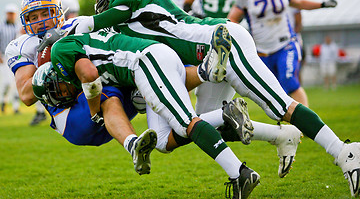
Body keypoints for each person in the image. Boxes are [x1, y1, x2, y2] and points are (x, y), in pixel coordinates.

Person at [65, 0, 360, 198]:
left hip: (221, 42)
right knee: (203, 126)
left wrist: (91, 20)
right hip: (206, 59)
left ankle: (344, 152)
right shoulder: (125, 27)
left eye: (105, 9)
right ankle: (281, 136)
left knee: (279, 105)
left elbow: (126, 0)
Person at [50, 26, 260, 199]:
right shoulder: (93, 42)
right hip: (153, 61)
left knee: (186, 123)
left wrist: (95, 111)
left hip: (146, 64)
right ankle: (219, 110)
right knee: (161, 141)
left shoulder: (61, 47)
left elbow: (89, 73)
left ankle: (239, 172)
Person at [227, 0, 338, 107]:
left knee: (289, 81)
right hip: (260, 50)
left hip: (285, 44)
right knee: (271, 88)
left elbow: (299, 3)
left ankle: (307, 121)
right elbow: (232, 19)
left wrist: (321, 4)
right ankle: (285, 120)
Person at [32, 62, 157, 175]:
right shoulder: (30, 51)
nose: (64, 93)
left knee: (134, 94)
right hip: (71, 121)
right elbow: (26, 96)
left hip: (99, 130)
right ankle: (132, 144)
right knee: (104, 92)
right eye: (58, 92)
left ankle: (166, 136)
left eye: (60, 88)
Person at [0, 4, 21, 114]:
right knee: (7, 83)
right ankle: (4, 101)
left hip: (16, 57)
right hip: (3, 57)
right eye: (9, 13)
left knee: (16, 82)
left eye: (13, 14)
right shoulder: (1, 26)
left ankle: (16, 107)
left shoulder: (18, 26)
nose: (11, 16)